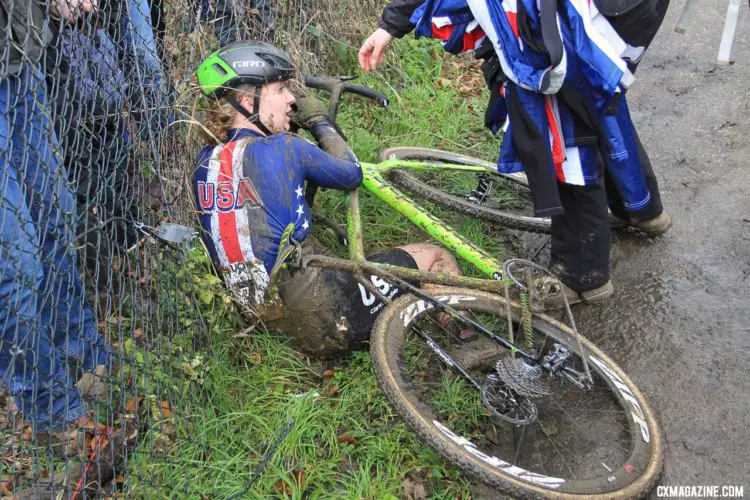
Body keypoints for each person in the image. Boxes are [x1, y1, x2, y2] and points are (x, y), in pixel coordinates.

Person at [358, 0, 672, 308]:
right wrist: (391, 25)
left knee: (564, 137)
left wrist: (391, 24)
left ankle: (582, 278)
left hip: (573, 23)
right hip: (611, 13)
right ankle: (639, 209)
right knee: (598, 104)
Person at [193, 41, 462, 358]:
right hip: (331, 321)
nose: (291, 99)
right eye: (280, 90)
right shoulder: (284, 147)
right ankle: (468, 337)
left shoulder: (202, 163)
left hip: (265, 326)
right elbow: (352, 173)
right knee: (433, 255)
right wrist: (320, 122)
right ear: (245, 99)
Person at [0, 0, 115, 437]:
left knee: (55, 219)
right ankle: (50, 410)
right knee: (14, 263)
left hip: (19, 60)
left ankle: (81, 352)